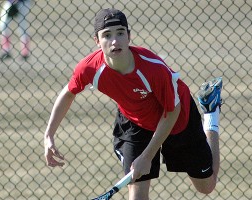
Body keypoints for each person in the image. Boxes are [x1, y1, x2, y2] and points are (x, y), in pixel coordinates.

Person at [44, 8, 223, 200]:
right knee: (137, 193)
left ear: (129, 36)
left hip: (177, 119)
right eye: (107, 35)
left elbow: (172, 112)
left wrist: (147, 156)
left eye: (120, 33)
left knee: (206, 187)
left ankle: (211, 112)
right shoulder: (89, 68)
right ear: (97, 41)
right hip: (135, 122)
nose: (114, 41)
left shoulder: (152, 69)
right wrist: (49, 135)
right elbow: (68, 92)